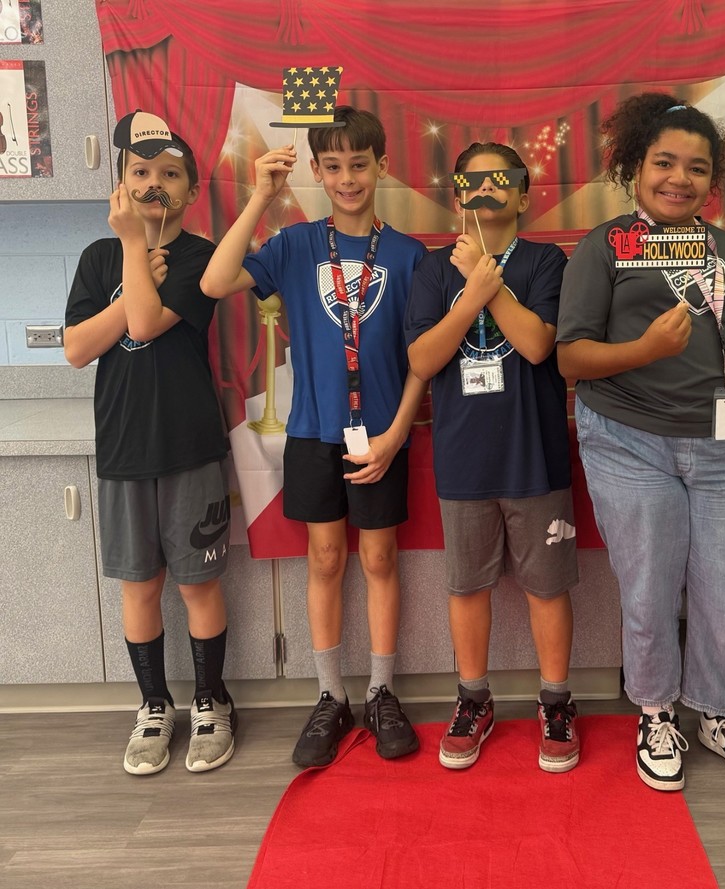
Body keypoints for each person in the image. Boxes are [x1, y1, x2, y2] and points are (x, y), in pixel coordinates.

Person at [557, 93, 725, 791]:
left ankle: (717, 711)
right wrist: (644, 348)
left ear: (713, 181)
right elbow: (570, 359)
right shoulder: (605, 246)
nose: (679, 178)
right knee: (650, 588)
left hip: (717, 443)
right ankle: (656, 712)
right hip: (628, 440)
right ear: (635, 166)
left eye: (696, 167)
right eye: (664, 163)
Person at [201, 107, 426, 767]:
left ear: (381, 165)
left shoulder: (409, 256)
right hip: (311, 433)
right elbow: (215, 282)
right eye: (334, 166)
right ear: (320, 172)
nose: (348, 177)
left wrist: (396, 433)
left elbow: (422, 359)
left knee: (380, 560)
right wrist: (260, 198)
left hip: (379, 435)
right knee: (325, 561)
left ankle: (382, 690)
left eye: (360, 163)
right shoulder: (297, 245)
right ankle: (331, 694)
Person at [64, 130, 236, 775]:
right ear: (121, 184)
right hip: (123, 449)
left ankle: (212, 702)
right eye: (140, 172)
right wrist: (131, 260)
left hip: (189, 445)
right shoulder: (98, 257)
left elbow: (143, 325)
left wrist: (138, 248)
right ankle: (155, 705)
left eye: (169, 174)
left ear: (191, 190)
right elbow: (77, 349)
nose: (152, 184)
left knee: (198, 584)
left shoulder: (200, 258)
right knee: (139, 585)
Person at [405, 142, 579, 772]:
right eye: (471, 182)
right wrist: (468, 291)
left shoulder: (545, 261)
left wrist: (488, 279)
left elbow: (538, 347)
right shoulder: (431, 270)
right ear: (456, 195)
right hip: (463, 458)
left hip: (535, 457)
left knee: (547, 586)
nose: (484, 191)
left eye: (499, 180)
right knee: (467, 585)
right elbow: (423, 361)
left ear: (523, 194)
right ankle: (473, 698)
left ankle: (557, 701)